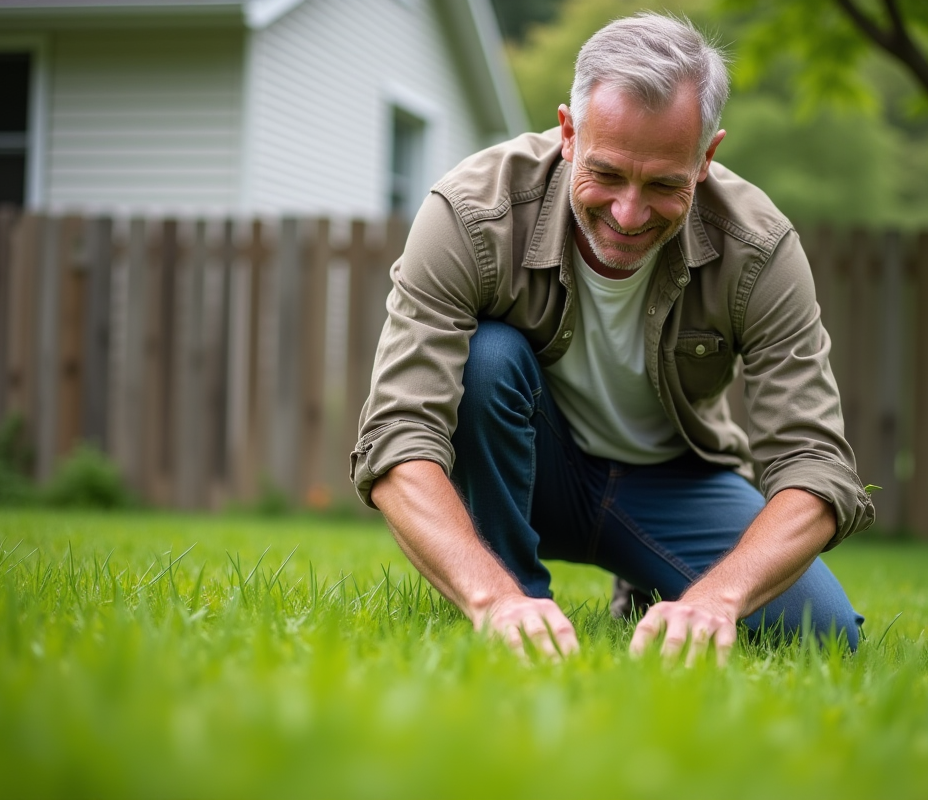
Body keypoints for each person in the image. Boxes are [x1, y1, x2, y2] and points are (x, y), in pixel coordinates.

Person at [351, 13, 874, 665]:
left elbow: (816, 467)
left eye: (663, 184)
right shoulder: (471, 213)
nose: (629, 214)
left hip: (675, 484)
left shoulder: (760, 248)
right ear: (569, 133)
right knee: (488, 358)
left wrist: (718, 599)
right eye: (608, 174)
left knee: (825, 635)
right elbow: (398, 435)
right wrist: (490, 598)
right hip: (530, 468)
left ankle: (655, 593)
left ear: (706, 157)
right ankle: (517, 602)